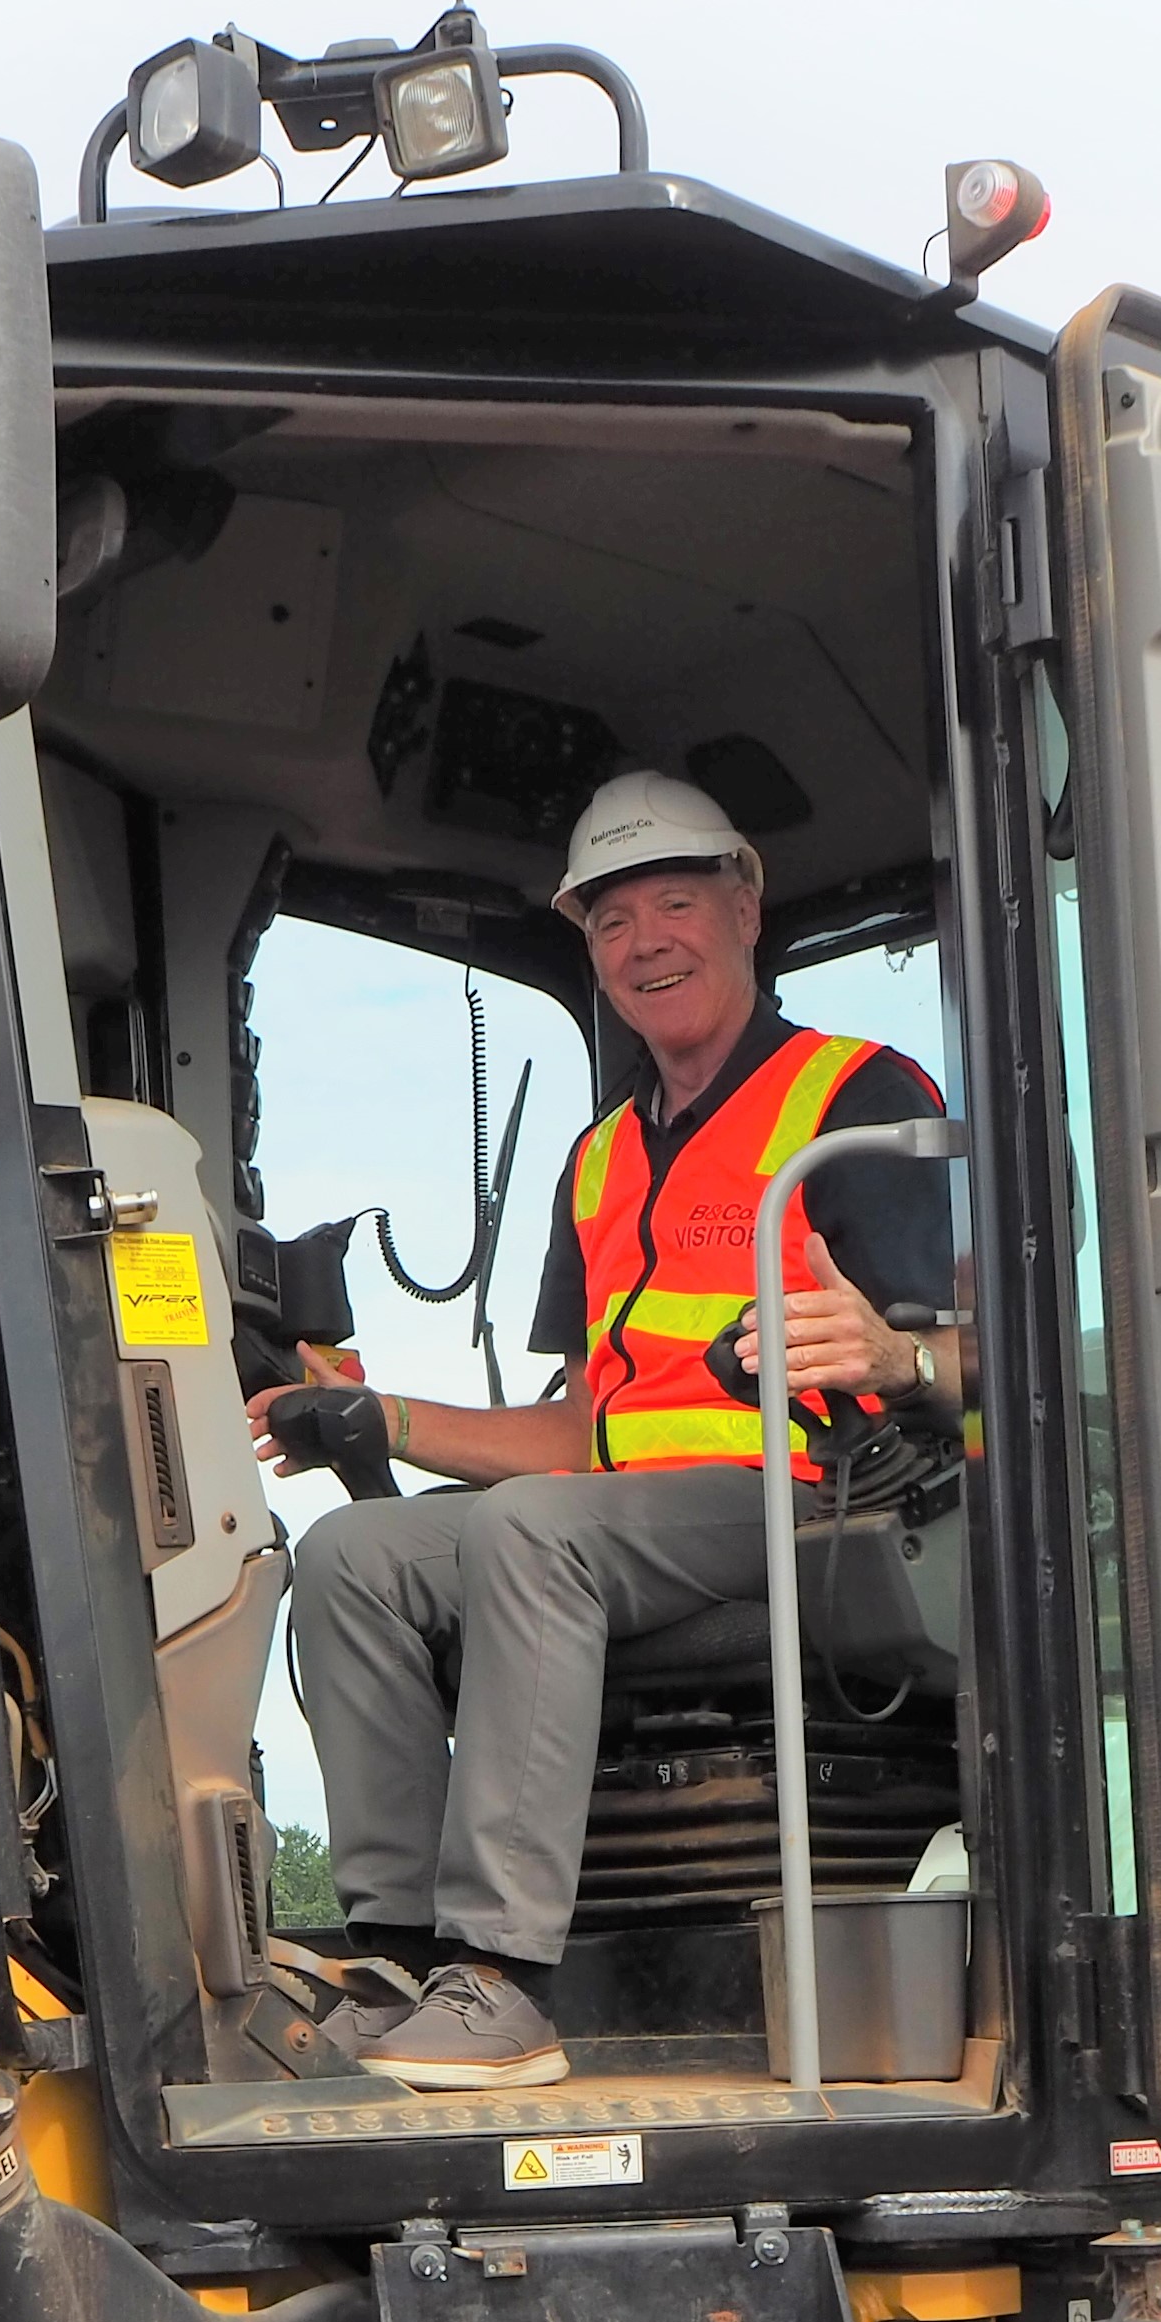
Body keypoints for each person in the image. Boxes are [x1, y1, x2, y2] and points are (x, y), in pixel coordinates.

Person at [250, 770, 959, 2090]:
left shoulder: (855, 1095)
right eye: (614, 921)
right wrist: (383, 1416)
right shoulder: (602, 1158)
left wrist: (904, 1354)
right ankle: (398, 1957)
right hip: (618, 1515)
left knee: (532, 1536)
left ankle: (505, 1979)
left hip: (803, 1495)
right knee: (359, 1558)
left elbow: (990, 1364)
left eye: (676, 903)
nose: (646, 945)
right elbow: (580, 1428)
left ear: (746, 908)